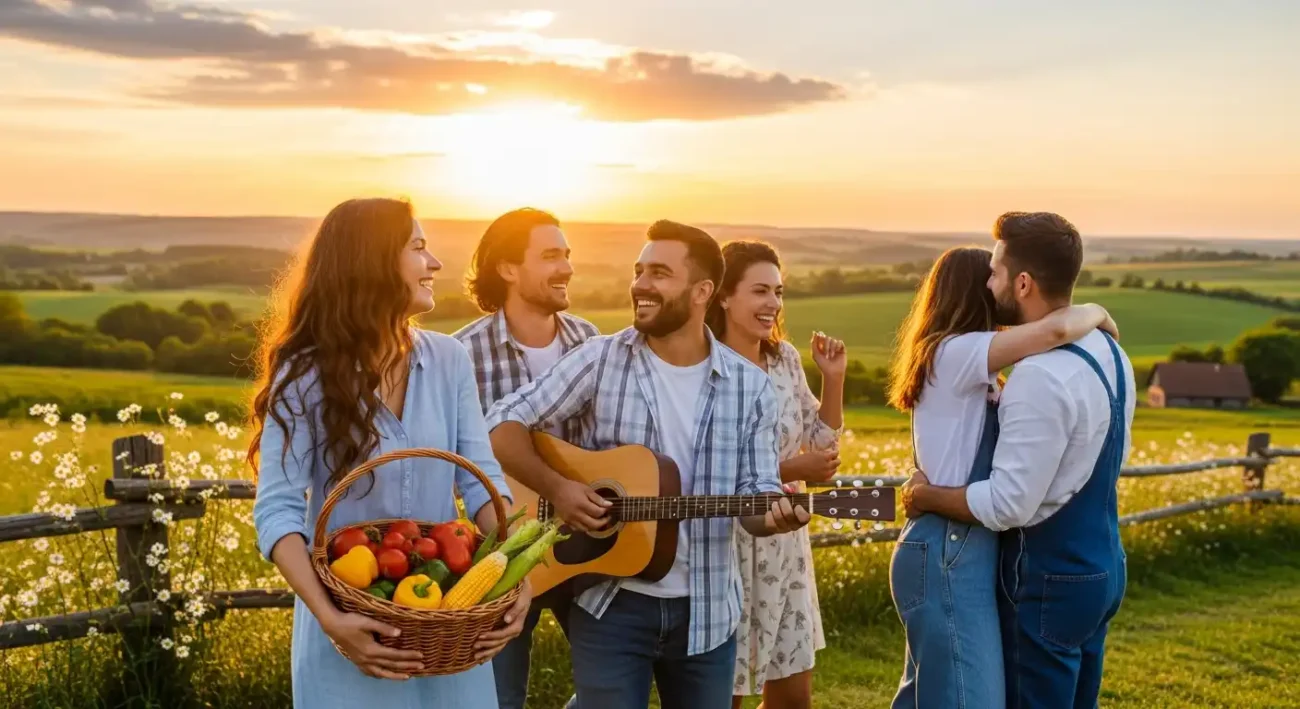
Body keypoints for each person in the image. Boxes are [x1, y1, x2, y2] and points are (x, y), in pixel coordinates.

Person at [484, 220, 812, 709]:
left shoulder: (750, 387)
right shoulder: (600, 360)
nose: (640, 284)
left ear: (703, 291)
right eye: (639, 271)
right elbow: (503, 422)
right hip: (609, 605)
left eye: (659, 272)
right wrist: (559, 490)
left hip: (708, 611)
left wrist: (776, 515)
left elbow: (755, 497)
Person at [249, 197, 531, 709]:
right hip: (351, 633)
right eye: (419, 248)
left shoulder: (449, 359)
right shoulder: (304, 375)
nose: (436, 264)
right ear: (373, 262)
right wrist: (333, 621)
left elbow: (481, 482)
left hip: (448, 629)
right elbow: (277, 512)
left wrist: (519, 577)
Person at [900, 211, 1135, 709]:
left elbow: (1008, 504)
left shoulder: (1037, 376)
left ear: (1023, 282)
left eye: (997, 271)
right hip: (1102, 565)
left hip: (1048, 577)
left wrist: (924, 494)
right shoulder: (1113, 354)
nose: (990, 282)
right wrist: (1097, 311)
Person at [451, 207, 598, 709]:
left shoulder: (590, 341)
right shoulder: (461, 353)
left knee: (611, 687)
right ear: (508, 268)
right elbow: (452, 459)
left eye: (568, 255)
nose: (567, 268)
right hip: (497, 555)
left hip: (583, 548)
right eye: (551, 255)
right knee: (497, 697)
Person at [704, 240, 845, 709]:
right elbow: (704, 467)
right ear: (724, 295)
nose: (774, 304)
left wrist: (833, 378)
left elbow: (821, 445)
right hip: (726, 544)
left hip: (786, 546)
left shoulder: (783, 359)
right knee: (725, 695)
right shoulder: (701, 366)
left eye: (779, 292)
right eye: (760, 290)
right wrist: (789, 468)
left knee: (794, 699)